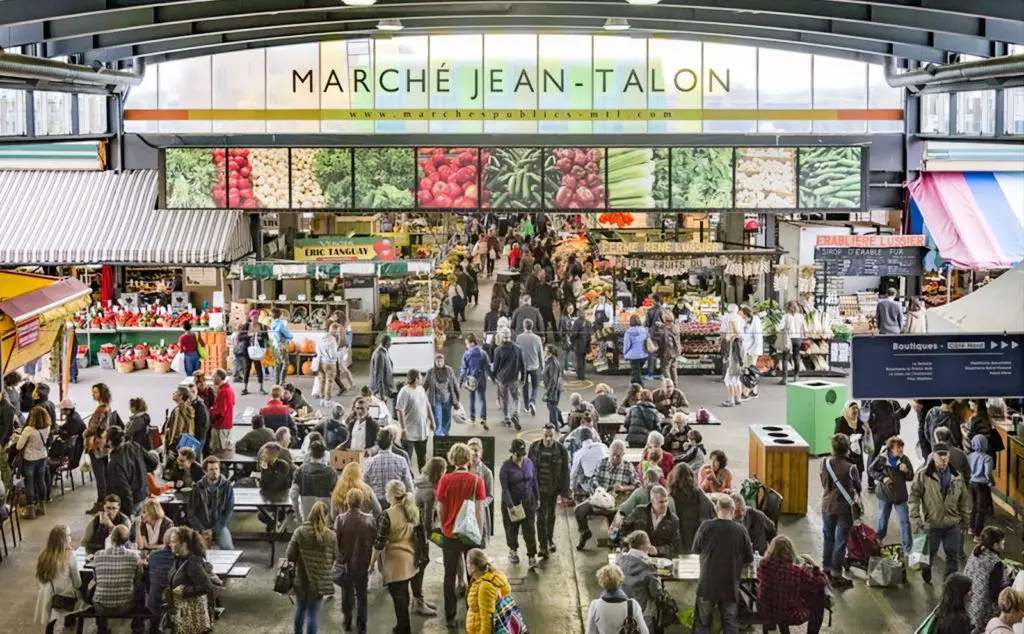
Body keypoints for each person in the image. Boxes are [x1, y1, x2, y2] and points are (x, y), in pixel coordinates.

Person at [436, 443, 487, 629]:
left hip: (450, 534)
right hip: (470, 535)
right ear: (468, 459)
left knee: (449, 576)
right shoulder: (476, 481)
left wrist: (444, 528)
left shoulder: (445, 480)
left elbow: (440, 510)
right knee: (473, 576)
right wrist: (479, 535)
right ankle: (471, 612)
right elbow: (480, 511)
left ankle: (450, 617)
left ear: (452, 459)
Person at [910, 442, 972, 584]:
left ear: (949, 456)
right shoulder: (923, 475)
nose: (943, 460)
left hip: (952, 523)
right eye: (940, 456)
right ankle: (927, 571)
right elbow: (914, 496)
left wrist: (965, 521)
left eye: (946, 456)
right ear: (933, 456)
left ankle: (948, 585)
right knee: (929, 554)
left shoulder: (957, 476)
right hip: (932, 523)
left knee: (953, 555)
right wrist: (915, 517)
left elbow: (964, 500)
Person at [692, 495, 754, 634]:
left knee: (702, 623)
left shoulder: (705, 526)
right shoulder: (740, 530)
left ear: (716, 509)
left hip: (707, 584)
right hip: (730, 584)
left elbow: (696, 550)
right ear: (733, 510)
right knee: (730, 623)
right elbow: (749, 558)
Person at [370, 480, 421, 634]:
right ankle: (402, 626)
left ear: (391, 495)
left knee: (398, 599)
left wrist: (372, 563)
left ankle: (404, 628)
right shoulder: (411, 509)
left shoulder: (387, 515)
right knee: (404, 595)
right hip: (411, 559)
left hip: (395, 562)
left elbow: (379, 544)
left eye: (387, 492)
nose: (386, 495)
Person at [575, 440, 640, 551]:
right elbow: (593, 478)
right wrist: (598, 488)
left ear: (623, 455)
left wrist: (623, 488)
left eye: (618, 456)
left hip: (617, 502)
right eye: (612, 455)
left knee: (617, 521)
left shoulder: (628, 467)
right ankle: (585, 532)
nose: (614, 458)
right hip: (600, 498)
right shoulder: (602, 462)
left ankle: (615, 546)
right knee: (579, 510)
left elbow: (637, 485)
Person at [757, 535, 829, 634]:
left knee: (781, 593)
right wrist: (813, 564)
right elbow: (822, 582)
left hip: (766, 610)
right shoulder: (797, 571)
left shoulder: (763, 565)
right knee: (819, 596)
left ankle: (783, 629)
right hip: (790, 614)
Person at [285, 500, 336, 634]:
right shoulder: (331, 536)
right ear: (325, 516)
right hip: (320, 582)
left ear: (310, 514)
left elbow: (289, 555)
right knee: (313, 614)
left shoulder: (300, 532)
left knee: (300, 609)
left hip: (301, 579)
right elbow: (335, 556)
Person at [335, 488, 378, 634]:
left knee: (346, 594)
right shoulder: (369, 519)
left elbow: (337, 542)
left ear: (347, 501)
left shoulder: (340, 519)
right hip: (362, 562)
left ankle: (347, 623)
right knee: (362, 596)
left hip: (345, 563)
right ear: (361, 502)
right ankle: (362, 627)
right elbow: (374, 541)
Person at [820, 433, 859, 588]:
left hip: (827, 505)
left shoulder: (825, 462)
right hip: (844, 508)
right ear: (847, 448)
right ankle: (836, 573)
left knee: (828, 538)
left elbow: (824, 482)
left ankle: (826, 569)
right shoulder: (851, 467)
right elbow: (858, 487)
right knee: (840, 541)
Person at [529, 424, 570, 558]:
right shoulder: (534, 448)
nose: (548, 439)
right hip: (538, 490)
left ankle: (549, 539)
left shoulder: (561, 450)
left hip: (553, 490)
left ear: (555, 436)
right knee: (540, 518)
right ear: (542, 435)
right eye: (546, 436)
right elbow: (528, 469)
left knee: (551, 516)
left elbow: (565, 472)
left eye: (551, 436)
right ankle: (542, 547)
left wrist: (564, 492)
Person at [868, 436, 915, 552]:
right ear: (890, 449)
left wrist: (906, 471)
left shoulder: (904, 460)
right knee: (883, 520)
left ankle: (907, 548)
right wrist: (882, 478)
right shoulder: (881, 459)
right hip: (885, 495)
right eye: (898, 448)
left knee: (905, 522)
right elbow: (871, 470)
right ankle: (878, 540)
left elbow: (911, 477)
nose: (901, 450)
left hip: (900, 496)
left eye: (902, 447)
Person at [167, 526, 216, 633]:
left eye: (173, 542)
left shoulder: (193, 563)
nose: (170, 544)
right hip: (182, 614)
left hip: (194, 617)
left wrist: (185, 590)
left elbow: (207, 586)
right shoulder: (178, 558)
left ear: (184, 544)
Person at [34, 524, 82, 634]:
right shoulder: (70, 555)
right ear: (63, 540)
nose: (71, 537)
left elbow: (40, 578)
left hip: (46, 595)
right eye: (69, 535)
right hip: (65, 596)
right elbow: (77, 582)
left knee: (51, 622)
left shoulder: (43, 555)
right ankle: (70, 620)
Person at [499, 438, 540, 567]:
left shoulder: (529, 463)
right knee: (512, 529)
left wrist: (537, 498)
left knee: (530, 529)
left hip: (528, 501)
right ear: (512, 453)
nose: (520, 458)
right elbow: (505, 489)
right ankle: (513, 550)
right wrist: (510, 506)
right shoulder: (505, 468)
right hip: (513, 502)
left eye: (522, 455)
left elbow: (534, 482)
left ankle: (532, 555)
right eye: (518, 455)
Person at [965, 526, 1012, 631]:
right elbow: (995, 594)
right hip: (983, 612)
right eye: (1002, 543)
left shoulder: (977, 551)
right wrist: (1009, 583)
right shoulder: (996, 563)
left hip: (969, 605)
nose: (1004, 545)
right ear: (995, 544)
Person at [586, 562, 650, 634]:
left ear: (601, 582)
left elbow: (590, 632)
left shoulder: (595, 605)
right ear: (621, 580)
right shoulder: (632, 604)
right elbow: (645, 632)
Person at [185, 456, 235, 549]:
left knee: (228, 548)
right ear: (205, 471)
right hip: (201, 526)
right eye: (211, 469)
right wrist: (202, 529)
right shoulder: (197, 487)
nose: (215, 472)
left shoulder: (227, 486)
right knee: (197, 550)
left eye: (217, 469)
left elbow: (229, 510)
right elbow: (191, 512)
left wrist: (215, 529)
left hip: (220, 526)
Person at [664, 463, 714, 554]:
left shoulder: (672, 494)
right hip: (696, 530)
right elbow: (710, 508)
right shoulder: (698, 492)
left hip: (680, 531)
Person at [85, 383, 119, 513]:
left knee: (100, 476)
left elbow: (92, 428)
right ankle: (108, 500)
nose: (93, 394)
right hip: (104, 445)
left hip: (96, 446)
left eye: (95, 392)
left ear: (101, 393)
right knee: (105, 474)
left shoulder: (100, 410)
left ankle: (101, 502)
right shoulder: (108, 407)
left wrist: (85, 433)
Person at [105, 425, 154, 517]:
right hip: (144, 494)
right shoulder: (134, 445)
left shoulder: (114, 464)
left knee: (131, 529)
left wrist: (128, 514)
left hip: (133, 503)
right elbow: (152, 462)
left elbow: (123, 492)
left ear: (110, 442)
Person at [620, 484, 682, 557]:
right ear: (652, 501)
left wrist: (657, 550)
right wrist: (626, 548)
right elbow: (624, 530)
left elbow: (675, 546)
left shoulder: (673, 520)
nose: (664, 504)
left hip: (661, 560)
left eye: (666, 501)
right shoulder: (639, 512)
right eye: (661, 502)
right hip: (638, 557)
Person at [465, 548, 514, 634]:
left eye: (467, 563)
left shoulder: (484, 587)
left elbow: (487, 620)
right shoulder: (493, 575)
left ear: (473, 567)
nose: (466, 566)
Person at [363, 428, 414, 508]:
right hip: (396, 504)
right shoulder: (401, 460)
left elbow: (364, 487)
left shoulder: (369, 462)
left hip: (376, 505)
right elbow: (409, 487)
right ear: (391, 441)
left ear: (377, 443)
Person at [291, 440, 338, 522]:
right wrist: (333, 517)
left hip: (306, 512)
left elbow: (293, 495)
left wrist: (298, 515)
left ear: (309, 454)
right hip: (326, 514)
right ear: (324, 455)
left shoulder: (300, 471)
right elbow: (336, 496)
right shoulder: (332, 472)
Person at [17, 405, 51, 519]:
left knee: (29, 482)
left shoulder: (28, 430)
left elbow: (19, 446)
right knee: (41, 481)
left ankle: (30, 509)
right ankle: (42, 506)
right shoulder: (47, 427)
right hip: (42, 457)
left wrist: (19, 438)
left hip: (30, 458)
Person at [491, 326, 526, 431]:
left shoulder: (498, 350)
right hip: (514, 378)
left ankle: (506, 418)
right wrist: (523, 378)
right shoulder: (518, 349)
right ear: (510, 336)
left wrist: (493, 378)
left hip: (502, 379)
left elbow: (496, 366)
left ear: (501, 337)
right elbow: (522, 365)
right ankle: (515, 413)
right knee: (516, 397)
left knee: (504, 398)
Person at [459, 334, 490, 429]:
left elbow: (463, 369)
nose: (466, 346)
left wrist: (460, 381)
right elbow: (487, 366)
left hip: (471, 379)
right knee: (482, 399)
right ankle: (483, 418)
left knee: (472, 399)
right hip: (481, 378)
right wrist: (492, 377)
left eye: (467, 344)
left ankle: (472, 418)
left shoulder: (467, 354)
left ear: (472, 343)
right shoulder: (483, 353)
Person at [515, 319, 544, 416]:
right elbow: (541, 353)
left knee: (524, 385)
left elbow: (517, 352)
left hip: (523, 366)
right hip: (534, 365)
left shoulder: (519, 338)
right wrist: (542, 366)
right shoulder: (537, 338)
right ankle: (532, 401)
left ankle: (526, 406)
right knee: (535, 386)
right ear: (532, 327)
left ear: (524, 326)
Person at [969, 434, 996, 538]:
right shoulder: (987, 458)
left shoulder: (970, 456)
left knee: (974, 506)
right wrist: (991, 482)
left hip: (972, 484)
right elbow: (988, 473)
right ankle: (978, 534)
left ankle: (971, 528)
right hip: (982, 486)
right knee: (981, 510)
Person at [423, 356, 457, 439]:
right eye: (437, 361)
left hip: (448, 398)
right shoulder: (431, 371)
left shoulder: (449, 370)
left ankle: (445, 433)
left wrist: (457, 398)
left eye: (441, 361)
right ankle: (438, 436)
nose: (439, 363)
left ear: (443, 361)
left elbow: (455, 384)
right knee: (437, 418)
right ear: (435, 362)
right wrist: (420, 394)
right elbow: (425, 384)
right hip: (435, 399)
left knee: (447, 417)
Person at [236, 310, 267, 396]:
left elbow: (266, 337)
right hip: (248, 350)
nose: (255, 319)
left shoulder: (262, 326)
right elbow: (239, 337)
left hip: (257, 351)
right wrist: (248, 335)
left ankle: (261, 387)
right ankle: (245, 388)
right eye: (254, 317)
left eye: (257, 317)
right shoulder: (246, 326)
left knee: (259, 369)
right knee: (247, 369)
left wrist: (262, 340)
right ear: (250, 317)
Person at [777, 300, 805, 384]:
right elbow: (804, 328)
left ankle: (785, 378)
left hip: (788, 339)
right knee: (796, 358)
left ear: (788, 307)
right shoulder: (800, 316)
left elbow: (780, 327)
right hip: (797, 339)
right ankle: (796, 376)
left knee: (785, 358)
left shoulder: (785, 316)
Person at [208, 369, 235, 453]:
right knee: (226, 449)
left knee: (218, 451)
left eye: (214, 376)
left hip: (220, 426)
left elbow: (219, 411)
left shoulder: (223, 392)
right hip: (227, 424)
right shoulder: (229, 389)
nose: (212, 378)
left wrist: (209, 411)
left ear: (219, 377)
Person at [721, 319, 746, 407]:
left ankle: (730, 400)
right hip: (736, 363)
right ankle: (738, 399)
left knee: (729, 381)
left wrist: (740, 362)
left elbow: (738, 353)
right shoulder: (738, 338)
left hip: (734, 363)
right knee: (736, 381)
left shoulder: (735, 340)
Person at [741, 306, 763, 399]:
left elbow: (757, 339)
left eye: (744, 317)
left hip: (753, 351)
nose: (743, 318)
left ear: (747, 315)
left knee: (750, 371)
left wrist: (751, 351)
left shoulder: (756, 322)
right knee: (751, 371)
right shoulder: (748, 322)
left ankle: (746, 393)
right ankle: (754, 391)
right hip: (748, 350)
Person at [622, 314, 649, 386]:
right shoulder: (644, 330)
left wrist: (625, 353)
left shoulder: (628, 332)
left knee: (636, 371)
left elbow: (627, 345)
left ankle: (640, 386)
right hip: (644, 354)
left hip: (633, 355)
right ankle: (633, 383)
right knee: (637, 370)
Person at [370, 334, 397, 405]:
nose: (391, 344)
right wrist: (381, 395)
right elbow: (379, 375)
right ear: (387, 342)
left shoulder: (384, 351)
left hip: (386, 389)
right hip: (382, 390)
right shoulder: (379, 354)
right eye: (390, 342)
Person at [542, 344, 563, 430]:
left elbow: (553, 379)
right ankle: (560, 419)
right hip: (555, 387)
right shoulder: (550, 361)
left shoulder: (552, 363)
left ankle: (553, 426)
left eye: (545, 350)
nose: (544, 352)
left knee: (551, 406)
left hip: (554, 389)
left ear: (549, 353)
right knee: (552, 406)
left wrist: (548, 392)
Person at [569, 302, 592, 381]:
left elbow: (573, 334)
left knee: (579, 360)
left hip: (578, 344)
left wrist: (572, 341)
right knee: (583, 360)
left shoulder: (577, 322)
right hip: (586, 344)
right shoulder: (588, 323)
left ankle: (580, 375)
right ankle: (582, 374)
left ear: (578, 314)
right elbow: (590, 335)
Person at [661, 311, 681, 387]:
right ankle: (675, 385)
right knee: (673, 368)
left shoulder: (666, 329)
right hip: (676, 351)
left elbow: (666, 342)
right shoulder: (676, 327)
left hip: (669, 352)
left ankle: (669, 385)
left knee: (665, 368)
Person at [190, 385, 212, 457]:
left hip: (198, 438)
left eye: (193, 392)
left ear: (197, 393)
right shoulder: (192, 404)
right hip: (194, 437)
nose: (191, 394)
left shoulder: (200, 406)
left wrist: (197, 439)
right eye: (189, 392)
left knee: (196, 457)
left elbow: (205, 424)